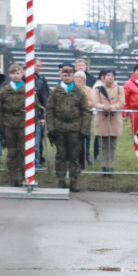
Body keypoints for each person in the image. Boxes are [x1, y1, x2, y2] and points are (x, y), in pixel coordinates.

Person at [45, 63, 90, 192]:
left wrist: (84, 130)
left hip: (75, 128)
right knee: (61, 155)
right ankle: (60, 180)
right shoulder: (55, 92)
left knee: (74, 156)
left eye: (70, 75)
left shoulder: (78, 92)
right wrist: (51, 128)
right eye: (64, 75)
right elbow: (50, 110)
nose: (67, 77)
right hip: (59, 128)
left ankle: (74, 181)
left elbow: (85, 111)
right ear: (61, 76)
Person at [0, 63, 27, 186]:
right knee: (12, 153)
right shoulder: (5, 90)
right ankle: (12, 178)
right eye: (13, 74)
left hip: (23, 125)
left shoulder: (27, 89)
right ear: (10, 75)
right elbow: (0, 110)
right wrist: (1, 126)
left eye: (18, 73)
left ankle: (25, 176)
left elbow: (35, 107)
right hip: (9, 125)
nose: (15, 76)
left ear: (22, 74)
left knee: (24, 152)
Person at [92, 69, 125, 174]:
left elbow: (121, 102)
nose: (110, 77)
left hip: (114, 119)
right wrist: (104, 107)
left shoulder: (119, 89)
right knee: (103, 144)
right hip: (102, 119)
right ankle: (103, 166)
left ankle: (111, 166)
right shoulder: (98, 89)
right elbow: (95, 103)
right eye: (108, 75)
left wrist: (112, 107)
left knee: (112, 144)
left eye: (112, 75)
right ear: (103, 77)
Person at [73, 70, 95, 170]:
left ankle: (82, 162)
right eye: (77, 77)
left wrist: (82, 104)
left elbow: (92, 102)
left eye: (81, 78)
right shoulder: (70, 89)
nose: (79, 80)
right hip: (72, 118)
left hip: (84, 118)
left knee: (83, 140)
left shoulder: (88, 89)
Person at [33, 58, 50, 167]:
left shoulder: (41, 79)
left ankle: (37, 163)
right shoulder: (25, 79)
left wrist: (44, 115)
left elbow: (45, 97)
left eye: (40, 66)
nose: (39, 68)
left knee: (37, 141)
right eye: (37, 65)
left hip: (38, 113)